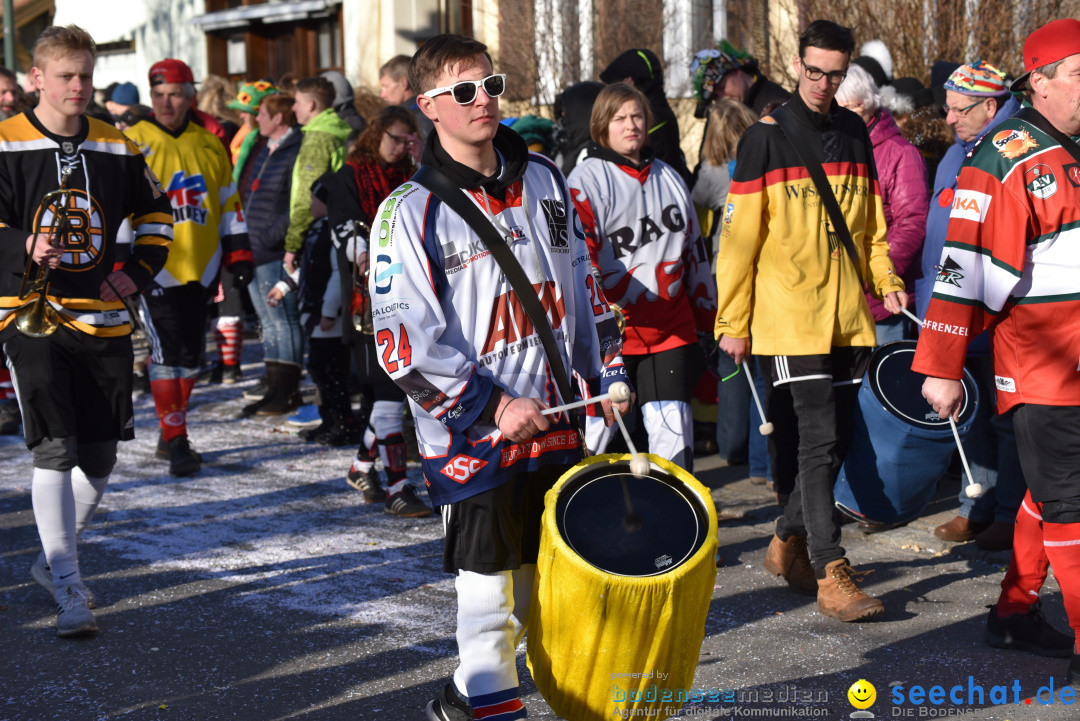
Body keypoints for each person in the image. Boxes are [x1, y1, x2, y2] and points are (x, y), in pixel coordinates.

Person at [374, 33, 630, 720]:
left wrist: (608, 370)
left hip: (560, 420)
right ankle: (488, 702)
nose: (483, 100)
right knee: (488, 599)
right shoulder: (407, 211)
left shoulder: (546, 178)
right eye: (464, 91)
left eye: (491, 84)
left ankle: (469, 701)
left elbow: (587, 287)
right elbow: (402, 345)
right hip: (476, 437)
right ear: (428, 106)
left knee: (545, 591)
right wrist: (491, 406)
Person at [715, 20, 907, 622]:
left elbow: (871, 229)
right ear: (797, 65)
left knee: (838, 441)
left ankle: (785, 540)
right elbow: (739, 242)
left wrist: (889, 281)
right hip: (787, 314)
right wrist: (733, 321)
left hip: (848, 315)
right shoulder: (763, 139)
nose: (823, 82)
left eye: (835, 72)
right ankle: (830, 568)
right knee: (819, 440)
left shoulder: (854, 132)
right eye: (814, 70)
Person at [917, 18, 1080, 680]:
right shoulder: (1005, 159)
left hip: (1072, 361)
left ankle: (1014, 611)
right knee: (1071, 501)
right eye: (1078, 73)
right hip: (1044, 368)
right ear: (1037, 81)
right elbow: (964, 269)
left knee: (1051, 491)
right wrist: (940, 366)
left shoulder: (1069, 145)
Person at [0, 24, 173, 636]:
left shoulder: (116, 145)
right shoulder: (4, 141)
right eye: (66, 75)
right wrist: (23, 242)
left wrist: (138, 273)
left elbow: (157, 214)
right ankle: (69, 584)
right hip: (28, 315)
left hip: (103, 319)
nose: (78, 86)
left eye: (85, 75)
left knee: (99, 459)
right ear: (35, 80)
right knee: (55, 447)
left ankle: (53, 559)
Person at [568, 83, 716, 472]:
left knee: (675, 435)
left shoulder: (669, 176)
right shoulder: (585, 180)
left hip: (670, 330)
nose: (630, 125)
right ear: (603, 125)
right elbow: (582, 258)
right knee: (596, 437)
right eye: (619, 118)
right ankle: (578, 515)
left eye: (637, 117)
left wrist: (710, 318)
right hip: (611, 337)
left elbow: (695, 253)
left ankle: (676, 520)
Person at [124, 57, 254, 475]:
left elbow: (229, 201)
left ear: (190, 96)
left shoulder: (209, 142)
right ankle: (176, 437)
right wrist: (121, 262)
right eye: (158, 95)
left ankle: (171, 430)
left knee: (190, 356)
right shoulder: (131, 140)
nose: (166, 103)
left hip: (202, 264)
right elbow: (115, 208)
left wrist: (239, 254)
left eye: (175, 94)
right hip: (152, 266)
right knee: (165, 354)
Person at [915, 60, 1025, 551]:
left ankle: (1009, 512)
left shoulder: (1012, 149)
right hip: (953, 306)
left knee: (1007, 418)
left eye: (959, 110)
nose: (949, 119)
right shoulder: (956, 153)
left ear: (990, 106)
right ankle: (975, 505)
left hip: (996, 310)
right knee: (971, 413)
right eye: (948, 108)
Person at [323, 106, 431, 516]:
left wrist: (422, 159)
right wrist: (369, 259)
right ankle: (398, 486)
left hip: (416, 295)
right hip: (369, 301)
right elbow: (345, 228)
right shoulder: (349, 176)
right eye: (395, 139)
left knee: (398, 391)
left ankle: (360, 466)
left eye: (408, 140)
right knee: (389, 392)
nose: (401, 147)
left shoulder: (416, 175)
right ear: (376, 134)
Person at [690, 98, 762, 472]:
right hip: (763, 269)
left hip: (725, 267)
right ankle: (764, 453)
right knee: (760, 359)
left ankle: (733, 446)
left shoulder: (714, 171)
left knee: (730, 357)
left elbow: (694, 205)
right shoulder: (763, 158)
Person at [835, 63, 928, 345]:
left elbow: (913, 223)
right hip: (839, 296)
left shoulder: (900, 154)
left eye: (837, 109)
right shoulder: (839, 149)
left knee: (878, 385)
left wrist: (873, 276)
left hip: (881, 300)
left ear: (860, 106)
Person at [241, 92, 306, 416]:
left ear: (278, 118)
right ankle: (274, 386)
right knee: (267, 322)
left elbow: (297, 201)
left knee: (283, 320)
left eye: (263, 113)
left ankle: (288, 391)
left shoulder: (296, 148)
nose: (257, 119)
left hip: (273, 248)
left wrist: (270, 235)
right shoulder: (263, 147)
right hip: (252, 245)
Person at [282, 76, 351, 282]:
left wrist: (293, 244)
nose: (293, 108)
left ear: (311, 105)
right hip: (332, 226)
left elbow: (307, 195)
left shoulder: (318, 138)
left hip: (317, 232)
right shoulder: (334, 129)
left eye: (297, 102)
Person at [599, 47, 691, 184]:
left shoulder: (653, 119)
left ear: (630, 83)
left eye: (616, 88)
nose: (630, 125)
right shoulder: (660, 112)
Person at [379, 53, 434, 139]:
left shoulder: (420, 118)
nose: (382, 95)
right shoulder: (423, 112)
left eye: (386, 86)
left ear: (403, 83)